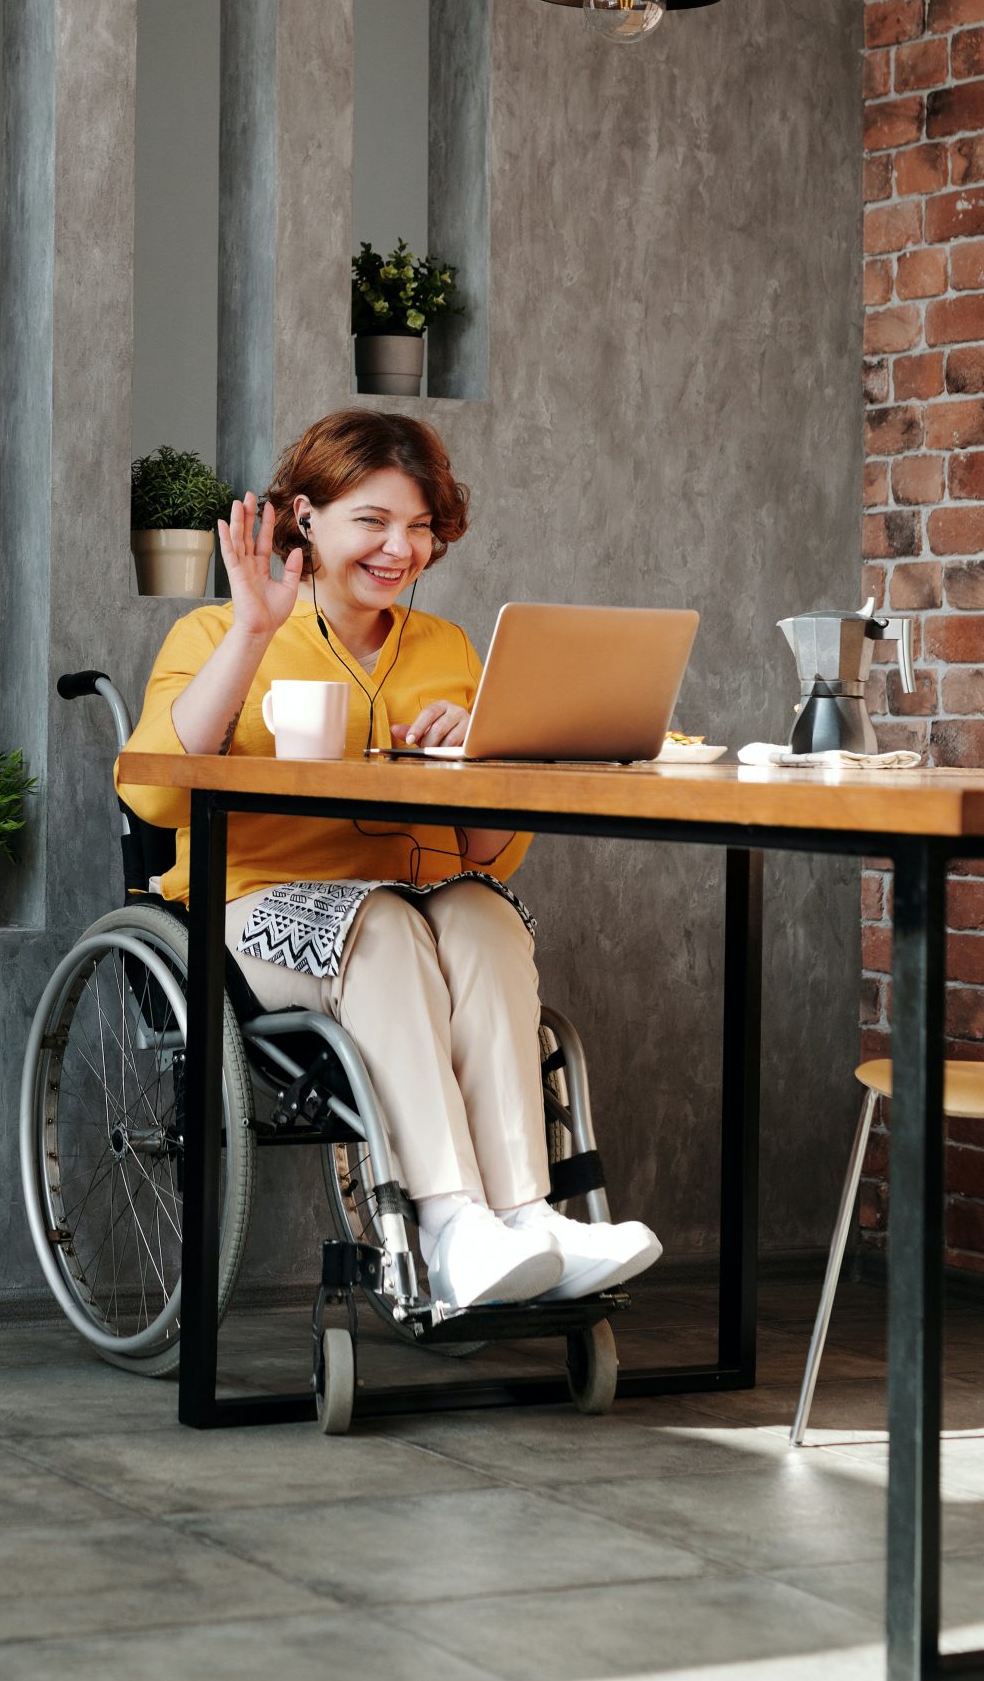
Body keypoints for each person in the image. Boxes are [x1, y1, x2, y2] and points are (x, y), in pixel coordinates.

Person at [117, 407, 661, 1313]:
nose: (397, 547)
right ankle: (449, 1223)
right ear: (308, 517)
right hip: (253, 912)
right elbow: (156, 797)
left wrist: (481, 758)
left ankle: (525, 1219)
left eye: (417, 527)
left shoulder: (446, 650)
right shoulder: (215, 634)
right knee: (385, 924)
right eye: (371, 520)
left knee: (483, 914)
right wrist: (253, 632)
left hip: (412, 909)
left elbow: (488, 854)